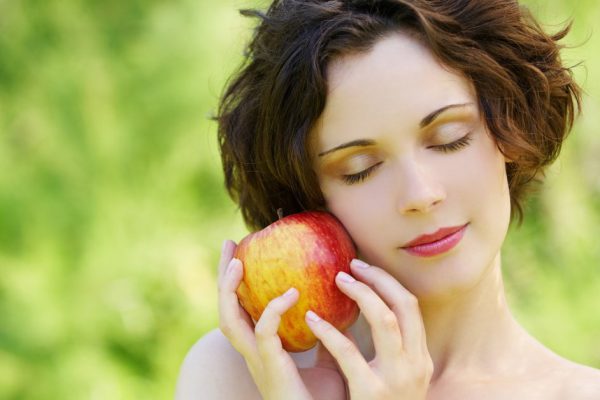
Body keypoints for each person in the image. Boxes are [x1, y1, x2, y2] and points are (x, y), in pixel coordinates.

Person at [176, 0, 600, 398]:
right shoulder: (241, 376)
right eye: (360, 168)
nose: (420, 194)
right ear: (309, 198)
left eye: (449, 140)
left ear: (510, 129)